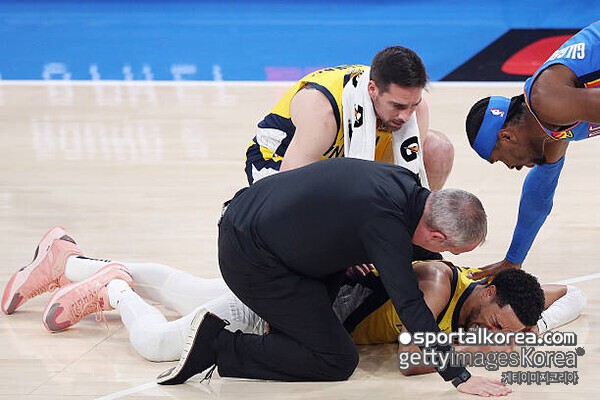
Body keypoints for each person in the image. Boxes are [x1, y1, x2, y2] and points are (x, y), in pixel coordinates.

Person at [147, 157, 511, 396]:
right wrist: (459, 375)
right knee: (336, 359)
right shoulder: (386, 226)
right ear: (436, 235)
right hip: (251, 257)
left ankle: (276, 334)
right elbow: (410, 304)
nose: (443, 257)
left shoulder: (404, 183)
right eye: (449, 250)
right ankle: (217, 345)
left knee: (316, 327)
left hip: (255, 220)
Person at [2, 227, 585, 374]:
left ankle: (67, 257)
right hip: (286, 311)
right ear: (486, 292)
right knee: (157, 343)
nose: (489, 332)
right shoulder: (436, 285)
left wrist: (527, 328)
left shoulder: (487, 291)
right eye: (493, 323)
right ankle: (113, 288)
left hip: (298, 294)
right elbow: (414, 358)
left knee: (184, 288)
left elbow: (571, 293)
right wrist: (484, 351)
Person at [465, 20, 600, 279]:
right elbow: (539, 195)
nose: (511, 167)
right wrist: (513, 260)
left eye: (500, 159)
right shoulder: (550, 128)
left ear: (506, 136)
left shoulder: (548, 101)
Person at [245, 46, 454, 191]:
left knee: (438, 149)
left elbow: (404, 177)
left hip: (341, 161)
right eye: (397, 106)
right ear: (373, 90)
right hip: (279, 163)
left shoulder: (415, 110)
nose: (405, 116)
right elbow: (287, 189)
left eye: (413, 105)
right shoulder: (323, 111)